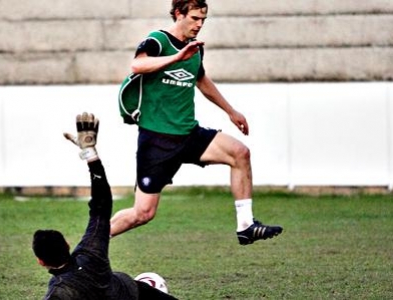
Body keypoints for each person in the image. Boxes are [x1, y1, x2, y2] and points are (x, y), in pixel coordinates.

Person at [113, 0, 283, 245]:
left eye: (203, 19)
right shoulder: (157, 41)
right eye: (194, 18)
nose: (199, 24)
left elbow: (201, 80)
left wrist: (230, 111)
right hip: (157, 140)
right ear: (179, 14)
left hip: (189, 134)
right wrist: (176, 57)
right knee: (143, 213)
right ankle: (93, 242)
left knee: (240, 153)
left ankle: (246, 226)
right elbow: (137, 65)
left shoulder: (195, 48)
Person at [32, 112, 178, 300]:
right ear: (67, 244)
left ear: (41, 262)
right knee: (144, 283)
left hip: (129, 290)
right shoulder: (90, 250)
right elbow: (102, 203)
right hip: (132, 293)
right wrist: (90, 154)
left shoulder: (58, 292)